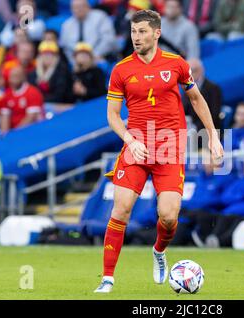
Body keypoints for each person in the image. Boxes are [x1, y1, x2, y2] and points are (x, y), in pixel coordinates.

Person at [94, 9, 223, 293]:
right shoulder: (121, 69)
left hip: (169, 148)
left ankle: (159, 251)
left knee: (167, 216)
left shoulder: (176, 64)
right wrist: (130, 140)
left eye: (142, 32)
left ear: (157, 33)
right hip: (136, 146)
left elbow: (197, 100)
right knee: (121, 209)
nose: (136, 37)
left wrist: (212, 136)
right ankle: (107, 279)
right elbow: (113, 116)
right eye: (133, 32)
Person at [0, 66, 44, 132]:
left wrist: (16, 133)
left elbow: (31, 117)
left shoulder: (32, 92)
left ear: (23, 77)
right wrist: (5, 135)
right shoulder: (7, 95)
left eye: (17, 76)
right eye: (13, 76)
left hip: (31, 130)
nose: (15, 78)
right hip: (13, 131)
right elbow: (5, 117)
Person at [182, 58, 222, 131]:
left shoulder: (213, 89)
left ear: (201, 70)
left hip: (207, 130)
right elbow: (183, 109)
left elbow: (213, 115)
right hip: (190, 128)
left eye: (193, 71)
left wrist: (195, 127)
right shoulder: (187, 86)